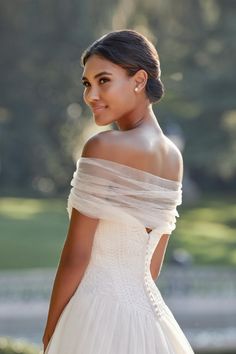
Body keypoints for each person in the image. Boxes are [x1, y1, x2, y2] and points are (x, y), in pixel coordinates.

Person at [42, 29, 194, 353]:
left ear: (139, 80)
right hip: (150, 321)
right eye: (87, 83)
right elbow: (152, 265)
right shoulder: (173, 158)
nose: (91, 95)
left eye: (103, 80)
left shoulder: (103, 147)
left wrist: (51, 334)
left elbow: (76, 255)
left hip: (94, 313)